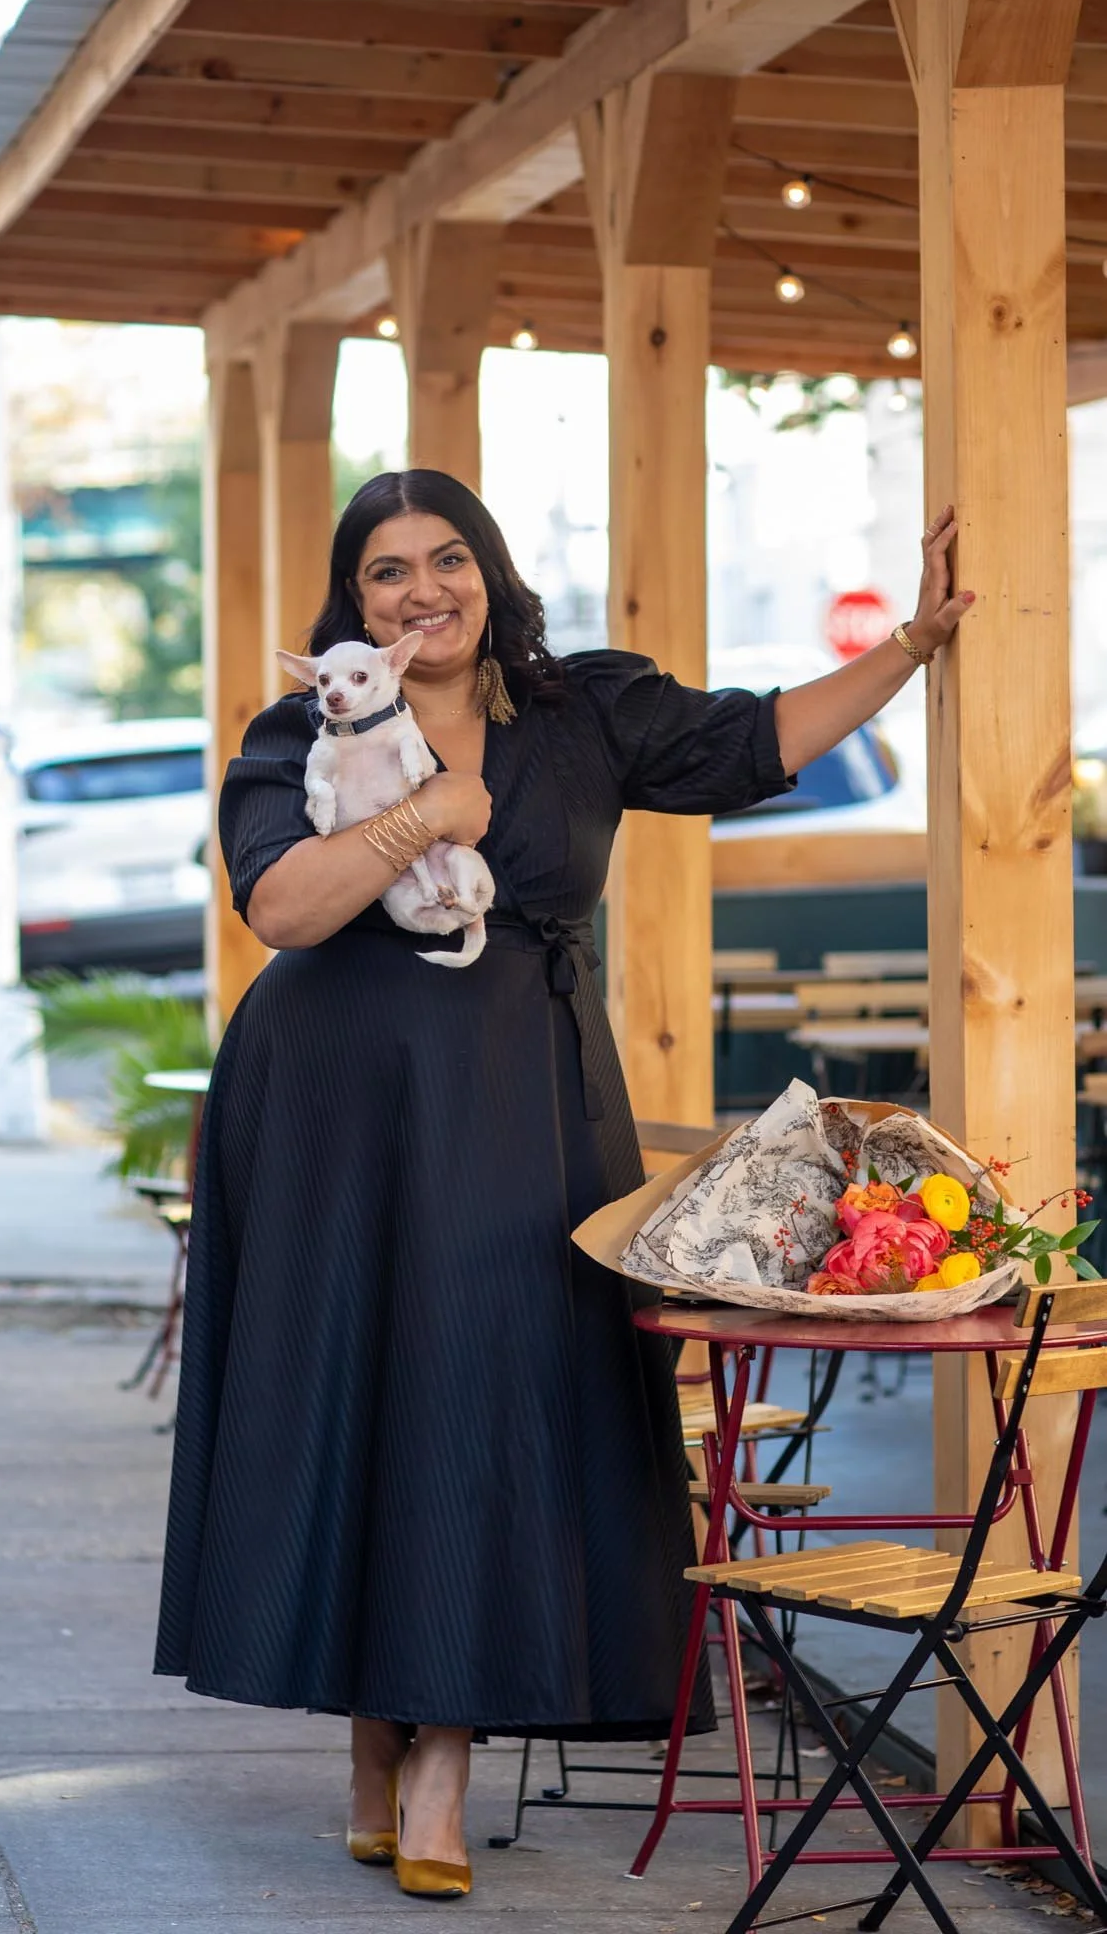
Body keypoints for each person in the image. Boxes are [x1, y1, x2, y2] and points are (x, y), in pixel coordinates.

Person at [155, 470, 972, 1899]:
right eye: (387, 573)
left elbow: (757, 740)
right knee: (358, 1392)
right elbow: (281, 906)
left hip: (526, 1101)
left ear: (490, 571)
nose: (422, 591)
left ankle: (439, 1762)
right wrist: (426, 820)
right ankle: (372, 1734)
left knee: (489, 1396)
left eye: (446, 560)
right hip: (337, 1106)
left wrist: (907, 644)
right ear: (356, 607)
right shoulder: (305, 728)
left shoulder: (584, 712)